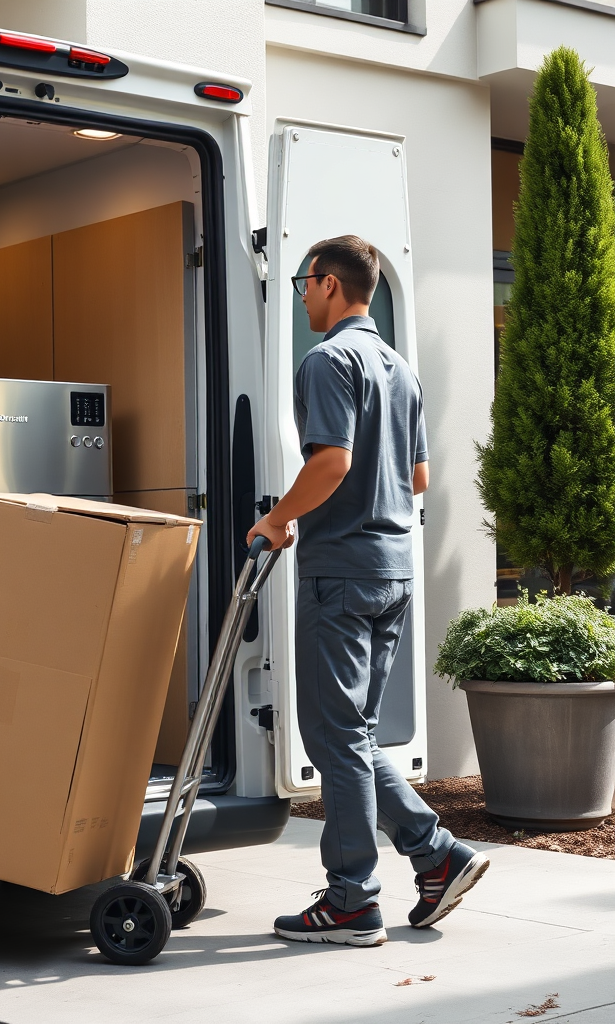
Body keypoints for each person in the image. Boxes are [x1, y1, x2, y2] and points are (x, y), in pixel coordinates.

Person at [247, 235, 489, 947]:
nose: (300, 296)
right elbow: (416, 480)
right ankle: (434, 855)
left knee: (333, 734)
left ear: (327, 283)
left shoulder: (328, 360)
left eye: (303, 283)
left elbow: (332, 462)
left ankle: (353, 899)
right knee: (349, 731)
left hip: (342, 572)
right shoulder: (399, 370)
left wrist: (277, 518)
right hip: (391, 571)